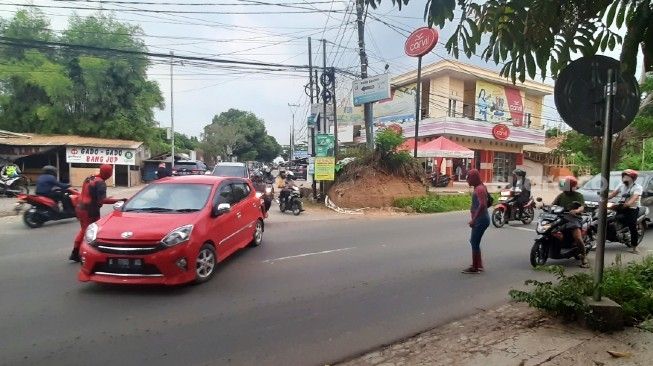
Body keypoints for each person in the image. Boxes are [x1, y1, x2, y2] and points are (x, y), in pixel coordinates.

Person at [70, 164, 122, 262]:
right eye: (110, 173)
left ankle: (76, 253)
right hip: (89, 210)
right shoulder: (101, 183)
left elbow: (90, 194)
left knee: (84, 230)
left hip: (80, 207)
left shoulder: (90, 177)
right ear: (109, 174)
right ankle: (85, 254)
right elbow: (102, 201)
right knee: (92, 232)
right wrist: (120, 200)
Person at [552, 176, 589, 268]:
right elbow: (553, 205)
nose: (564, 189)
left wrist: (576, 211)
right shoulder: (561, 195)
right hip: (561, 218)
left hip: (574, 218)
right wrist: (544, 206)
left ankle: (584, 258)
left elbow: (582, 207)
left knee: (577, 237)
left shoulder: (578, 195)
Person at [463, 169, 490, 274]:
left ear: (474, 178)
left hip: (480, 219)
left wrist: (474, 220)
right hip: (482, 218)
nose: (467, 180)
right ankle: (478, 265)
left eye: (469, 178)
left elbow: (482, 205)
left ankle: (475, 267)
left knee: (474, 242)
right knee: (474, 242)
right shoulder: (480, 187)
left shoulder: (479, 189)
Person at [608, 169, 643, 250]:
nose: (624, 178)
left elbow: (634, 198)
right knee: (610, 218)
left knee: (632, 225)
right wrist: (603, 199)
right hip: (621, 206)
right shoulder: (621, 185)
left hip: (632, 208)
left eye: (627, 176)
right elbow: (613, 194)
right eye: (623, 176)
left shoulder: (638, 187)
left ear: (632, 178)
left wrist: (628, 204)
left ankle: (634, 246)